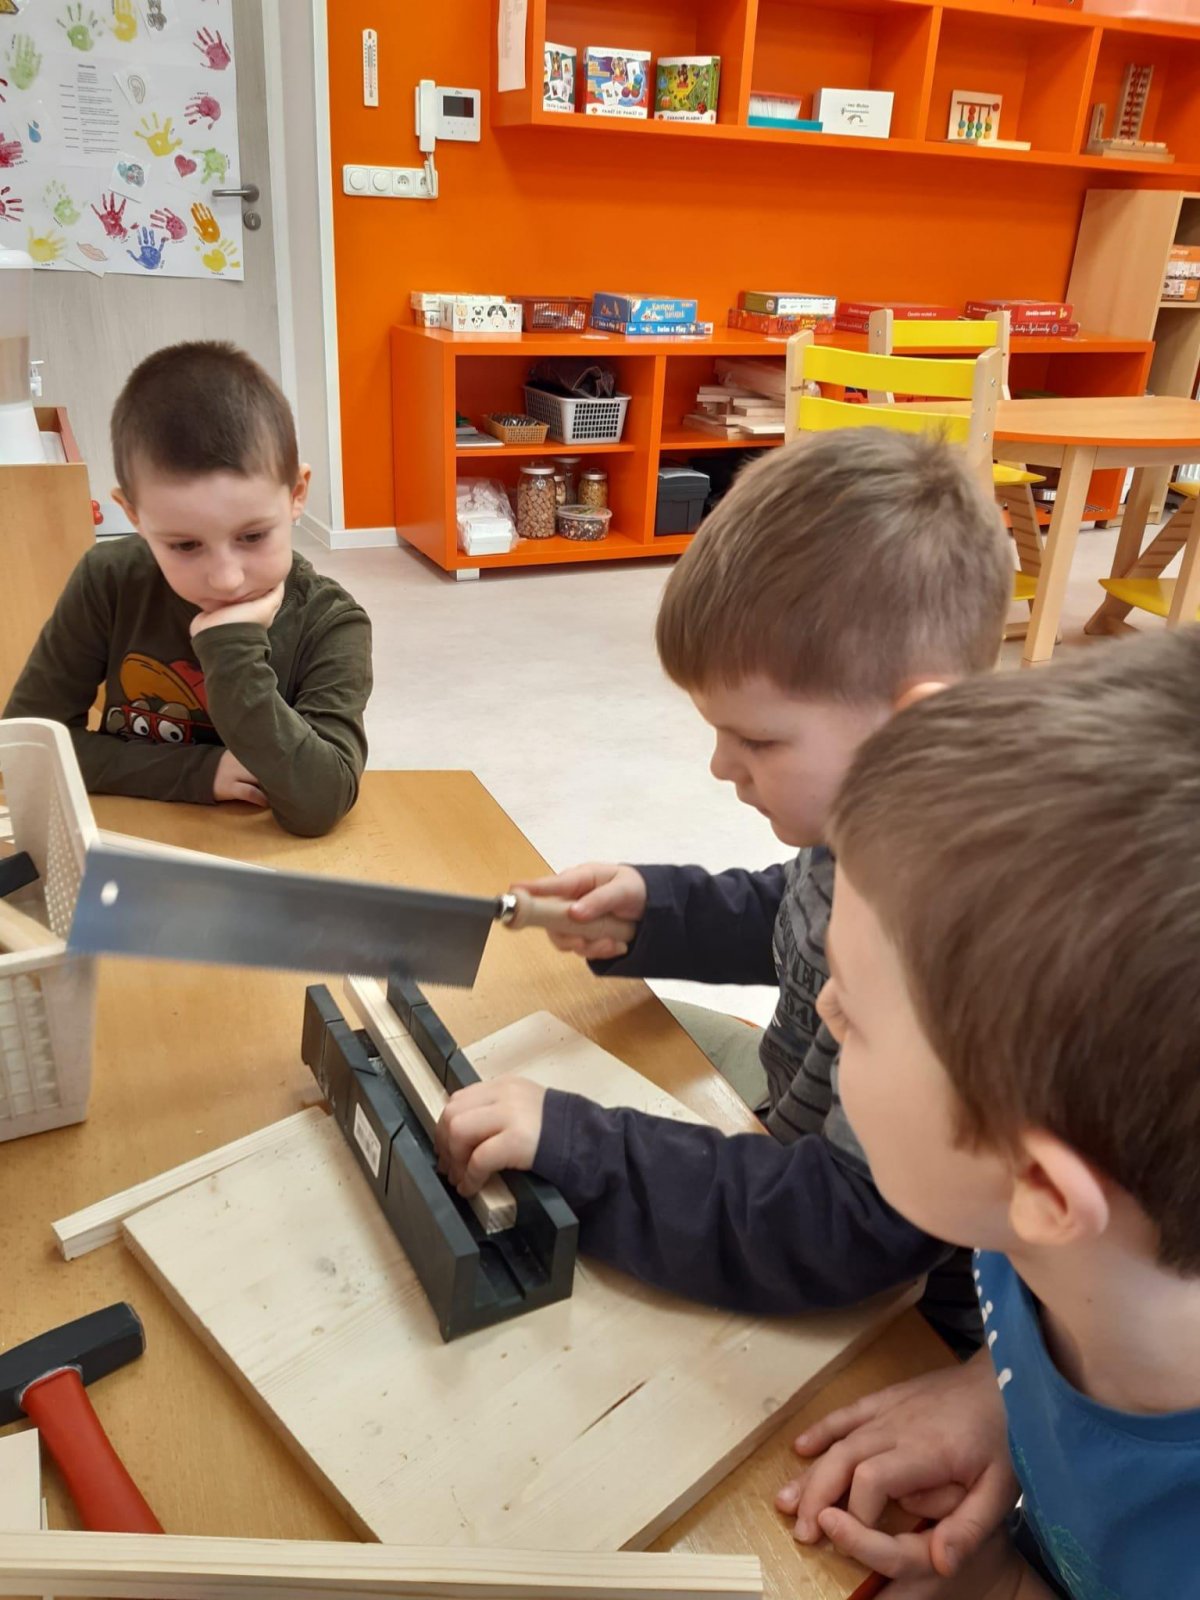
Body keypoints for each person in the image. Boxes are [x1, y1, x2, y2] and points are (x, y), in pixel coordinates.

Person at [436, 429, 1013, 1351]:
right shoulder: (873, 820)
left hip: (910, 1314)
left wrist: (582, 1146)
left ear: (913, 724)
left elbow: (840, 1232)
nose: (719, 767)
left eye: (759, 741)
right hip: (792, 1144)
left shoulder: (960, 946)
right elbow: (794, 910)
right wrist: (656, 911)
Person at [776, 627, 1200, 1597]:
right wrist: (997, 1398)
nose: (824, 1010)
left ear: (1040, 1185)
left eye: (855, 1013)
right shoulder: (1043, 1244)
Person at [5, 341, 371, 837]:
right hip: (134, 837)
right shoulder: (109, 579)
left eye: (252, 536)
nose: (226, 578)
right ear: (133, 514)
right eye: (185, 545)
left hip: (260, 855)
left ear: (296, 494)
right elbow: (25, 748)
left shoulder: (332, 622)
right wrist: (199, 772)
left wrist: (232, 648)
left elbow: (320, 802)